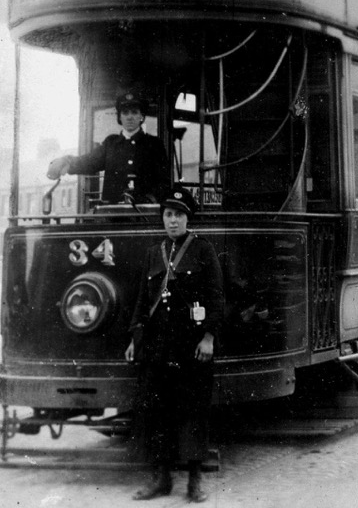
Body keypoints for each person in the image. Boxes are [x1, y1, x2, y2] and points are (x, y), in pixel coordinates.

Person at [125, 185, 224, 502]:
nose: (172, 221)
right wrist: (135, 338)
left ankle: (194, 481)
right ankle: (161, 478)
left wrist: (208, 337)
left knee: (192, 411)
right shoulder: (155, 253)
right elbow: (143, 300)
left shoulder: (203, 250)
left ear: (188, 218)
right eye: (168, 215)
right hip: (158, 346)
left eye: (178, 215)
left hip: (191, 345)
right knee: (157, 412)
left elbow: (216, 297)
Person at [46, 91, 170, 204]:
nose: (129, 116)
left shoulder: (154, 145)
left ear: (141, 116)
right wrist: (66, 161)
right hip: (113, 215)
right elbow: (88, 161)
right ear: (120, 117)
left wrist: (150, 199)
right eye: (125, 113)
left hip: (144, 215)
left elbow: (164, 183)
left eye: (134, 112)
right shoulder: (111, 144)